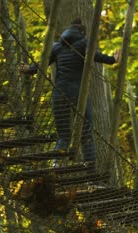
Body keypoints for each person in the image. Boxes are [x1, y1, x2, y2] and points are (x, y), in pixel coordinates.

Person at [22, 19, 119, 166]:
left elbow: (41, 64)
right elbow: (97, 56)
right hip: (78, 93)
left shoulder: (57, 46)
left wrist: (28, 69)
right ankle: (90, 171)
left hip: (59, 93)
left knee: (64, 135)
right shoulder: (84, 43)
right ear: (83, 32)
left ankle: (56, 165)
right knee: (86, 132)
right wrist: (113, 59)